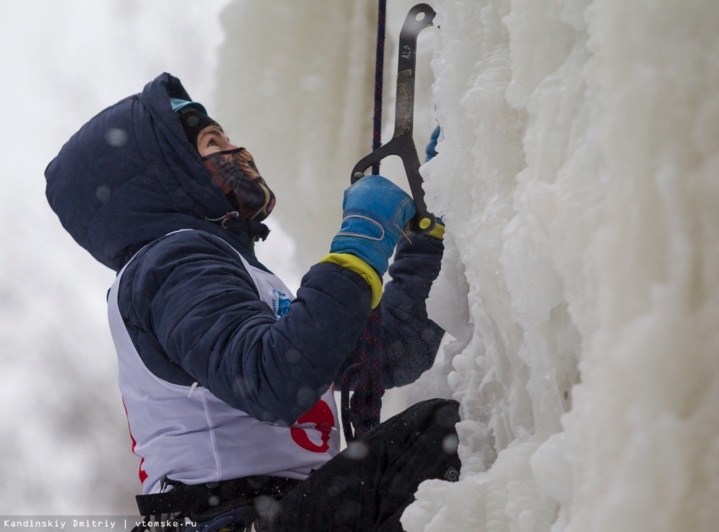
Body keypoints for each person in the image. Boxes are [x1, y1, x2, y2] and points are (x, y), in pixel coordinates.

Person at [45, 72, 459, 531]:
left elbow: (395, 349)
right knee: (436, 439)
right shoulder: (171, 265)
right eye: (211, 142)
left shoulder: (230, 273)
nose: (237, 152)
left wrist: (433, 231)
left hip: (269, 511)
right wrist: (360, 244)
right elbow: (275, 381)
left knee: (431, 445)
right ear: (168, 174)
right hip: (232, 517)